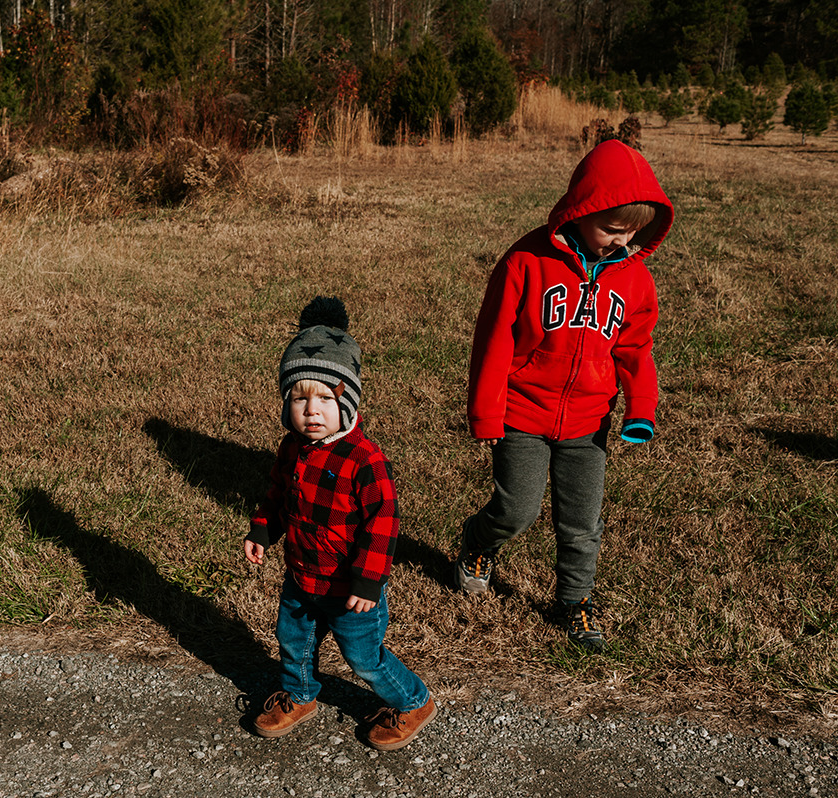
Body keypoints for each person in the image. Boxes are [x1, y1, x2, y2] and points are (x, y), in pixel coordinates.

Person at [459, 139, 674, 651]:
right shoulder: (526, 262)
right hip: (522, 413)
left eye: (632, 233)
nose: (620, 243)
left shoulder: (634, 280)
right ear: (582, 210)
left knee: (581, 523)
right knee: (518, 510)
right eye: (612, 229)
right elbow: (494, 340)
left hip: (589, 422)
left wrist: (640, 407)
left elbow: (636, 350)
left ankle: (575, 601)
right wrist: (486, 415)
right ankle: (478, 542)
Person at [244, 296, 435, 751]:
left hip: (350, 588)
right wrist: (263, 531)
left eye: (325, 399)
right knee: (293, 640)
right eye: (298, 398)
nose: (311, 411)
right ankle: (299, 694)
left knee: (363, 658)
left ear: (347, 402)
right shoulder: (291, 448)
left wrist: (368, 582)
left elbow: (383, 522)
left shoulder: (363, 459)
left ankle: (413, 700)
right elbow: (277, 496)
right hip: (301, 576)